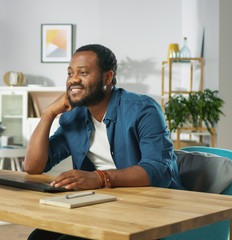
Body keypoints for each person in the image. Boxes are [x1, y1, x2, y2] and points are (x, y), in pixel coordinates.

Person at [24, 44, 183, 240]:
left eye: (83, 72)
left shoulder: (143, 110)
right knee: (38, 238)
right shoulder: (74, 117)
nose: (73, 79)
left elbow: (158, 170)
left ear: (107, 78)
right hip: (101, 205)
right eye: (70, 73)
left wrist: (99, 177)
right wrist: (48, 114)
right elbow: (33, 166)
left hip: (149, 209)